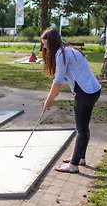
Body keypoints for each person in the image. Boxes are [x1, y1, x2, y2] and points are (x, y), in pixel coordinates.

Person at [41, 28, 101, 173]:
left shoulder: (61, 54)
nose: (44, 47)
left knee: (81, 129)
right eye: (43, 45)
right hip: (92, 90)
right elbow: (65, 80)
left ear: (53, 43)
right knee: (83, 127)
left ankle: (73, 166)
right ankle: (80, 158)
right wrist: (52, 96)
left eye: (46, 45)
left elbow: (57, 81)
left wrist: (48, 101)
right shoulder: (68, 50)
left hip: (85, 92)